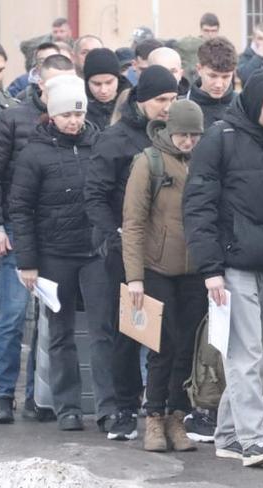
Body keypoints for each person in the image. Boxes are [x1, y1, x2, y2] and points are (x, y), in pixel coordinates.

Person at [183, 70, 263, 467]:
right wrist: (210, 269)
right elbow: (198, 207)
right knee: (245, 355)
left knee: (260, 355)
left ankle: (228, 435)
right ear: (256, 104)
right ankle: (254, 438)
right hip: (233, 264)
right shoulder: (219, 139)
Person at [0, 53, 79, 424]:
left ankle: (39, 398)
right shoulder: (13, 118)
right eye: (56, 84)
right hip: (16, 230)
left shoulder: (78, 120)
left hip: (59, 234)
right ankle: (3, 395)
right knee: (12, 316)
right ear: (40, 84)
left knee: (52, 321)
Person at [85, 64, 179, 441]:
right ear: (141, 101)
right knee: (128, 331)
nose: (168, 106)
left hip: (166, 251)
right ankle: (124, 407)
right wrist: (116, 234)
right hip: (125, 251)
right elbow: (95, 196)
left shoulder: (175, 136)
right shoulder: (115, 139)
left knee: (167, 333)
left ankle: (165, 406)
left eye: (173, 98)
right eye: (161, 99)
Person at [8, 75, 101, 431]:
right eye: (66, 115)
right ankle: (68, 406)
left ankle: (109, 405)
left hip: (94, 252)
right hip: (54, 254)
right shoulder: (34, 153)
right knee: (60, 333)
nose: (74, 121)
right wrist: (27, 261)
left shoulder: (99, 145)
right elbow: (21, 208)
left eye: (78, 114)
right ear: (53, 115)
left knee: (104, 330)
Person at [122, 99, 206, 450]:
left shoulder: (204, 161)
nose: (188, 141)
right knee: (162, 345)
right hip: (157, 268)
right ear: (169, 131)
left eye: (194, 135)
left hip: (195, 270)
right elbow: (133, 222)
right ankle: (154, 417)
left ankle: (177, 417)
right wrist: (135, 277)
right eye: (182, 135)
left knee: (189, 347)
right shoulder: (149, 162)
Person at [189, 37, 237, 128]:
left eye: (226, 77)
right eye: (212, 76)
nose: (219, 84)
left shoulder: (243, 106)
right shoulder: (182, 106)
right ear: (199, 69)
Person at [84, 48, 130, 131]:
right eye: (97, 84)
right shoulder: (79, 105)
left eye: (109, 82)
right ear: (87, 82)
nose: (103, 90)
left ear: (118, 78)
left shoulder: (133, 102)